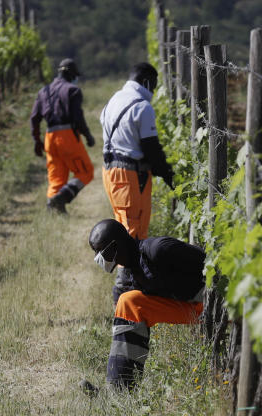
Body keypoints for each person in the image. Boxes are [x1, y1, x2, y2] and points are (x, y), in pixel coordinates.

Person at [88, 219, 204, 389]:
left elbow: (209, 264)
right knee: (128, 302)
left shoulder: (159, 249)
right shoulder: (131, 272)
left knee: (128, 300)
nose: (98, 258)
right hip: (192, 309)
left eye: (99, 250)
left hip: (219, 305)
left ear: (116, 245)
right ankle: (119, 388)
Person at [99, 62, 174, 301]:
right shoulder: (142, 107)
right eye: (154, 86)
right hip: (131, 176)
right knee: (133, 235)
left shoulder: (113, 100)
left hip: (110, 173)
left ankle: (127, 289)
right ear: (148, 82)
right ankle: (124, 294)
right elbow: (151, 149)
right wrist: (170, 176)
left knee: (123, 227)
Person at [29, 58, 95, 214]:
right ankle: (62, 198)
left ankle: (53, 210)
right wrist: (87, 135)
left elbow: (34, 118)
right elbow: (78, 118)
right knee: (85, 171)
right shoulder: (73, 90)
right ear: (71, 74)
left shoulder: (43, 91)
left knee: (56, 176)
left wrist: (37, 142)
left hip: (49, 137)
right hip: (67, 136)